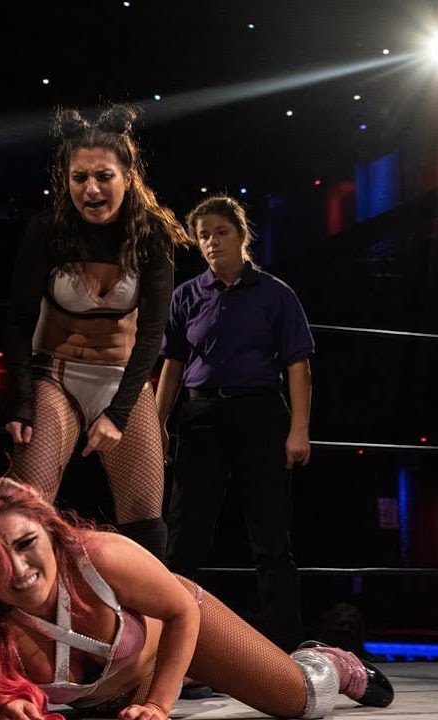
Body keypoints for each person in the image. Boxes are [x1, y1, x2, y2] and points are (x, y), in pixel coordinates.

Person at [0, 478, 393, 720]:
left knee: (302, 699)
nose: (18, 570)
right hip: (121, 691)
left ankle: (331, 660)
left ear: (50, 530)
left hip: (179, 623)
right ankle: (199, 675)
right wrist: (11, 702)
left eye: (25, 544)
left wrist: (160, 708)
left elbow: (180, 611)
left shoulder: (100, 556)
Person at [3, 104, 189, 561]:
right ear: (65, 180)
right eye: (79, 177)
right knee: (27, 510)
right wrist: (21, 400)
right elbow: (18, 322)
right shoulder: (46, 230)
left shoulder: (152, 235)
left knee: (146, 521)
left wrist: (119, 414)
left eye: (103, 176)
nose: (91, 189)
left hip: (123, 377)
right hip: (57, 375)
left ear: (128, 177)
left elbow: (152, 334)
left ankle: (143, 608)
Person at [155, 194, 315, 650]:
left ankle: (284, 648)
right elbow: (172, 365)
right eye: (203, 235)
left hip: (260, 413)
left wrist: (299, 429)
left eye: (221, 232)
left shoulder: (276, 293)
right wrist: (157, 424)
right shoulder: (186, 295)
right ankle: (167, 644)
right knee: (185, 531)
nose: (211, 242)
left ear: (242, 235)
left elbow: (299, 364)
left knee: (270, 533)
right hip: (200, 415)